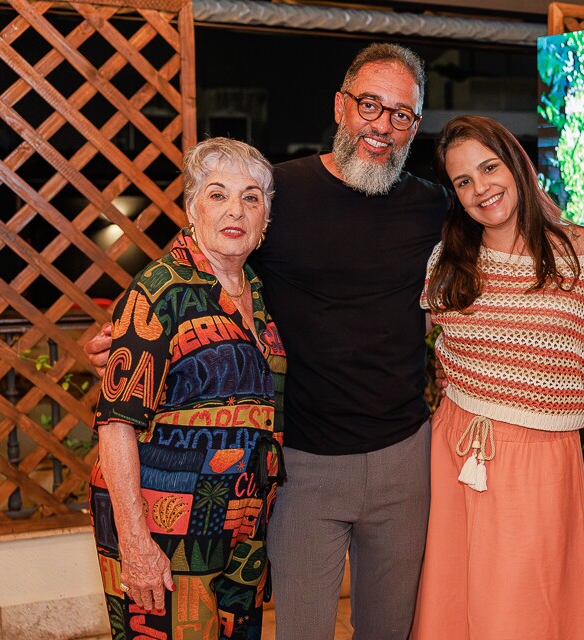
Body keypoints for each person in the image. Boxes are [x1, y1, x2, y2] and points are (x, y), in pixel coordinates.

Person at [87, 43, 448, 640]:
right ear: (340, 106)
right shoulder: (275, 195)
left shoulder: (431, 207)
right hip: (300, 469)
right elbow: (173, 301)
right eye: (369, 105)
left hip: (402, 463)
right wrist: (111, 345)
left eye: (401, 113)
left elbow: (499, 237)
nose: (383, 125)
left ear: (415, 124)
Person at [410, 115, 584, 640]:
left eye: (489, 168)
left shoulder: (579, 251)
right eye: (463, 181)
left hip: (542, 456)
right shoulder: (448, 260)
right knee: (452, 602)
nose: (481, 188)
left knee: (524, 609)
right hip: (456, 445)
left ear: (517, 164)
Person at [89, 137, 286, 640]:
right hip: (164, 527)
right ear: (192, 206)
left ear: (265, 218)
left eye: (251, 196)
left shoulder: (256, 292)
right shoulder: (158, 292)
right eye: (217, 194)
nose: (235, 210)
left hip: (240, 524)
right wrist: (135, 543)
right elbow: (115, 425)